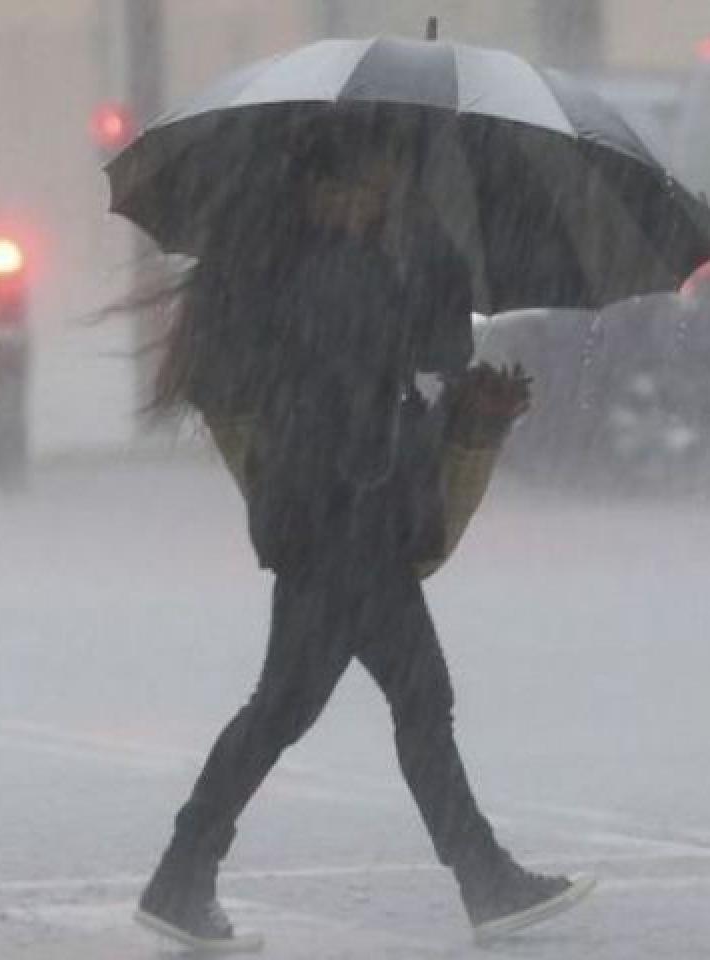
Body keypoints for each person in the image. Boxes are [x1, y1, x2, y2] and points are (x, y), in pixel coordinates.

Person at [134, 130, 596, 953]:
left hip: (333, 523)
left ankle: (185, 874)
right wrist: (424, 255)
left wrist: (417, 261)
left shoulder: (306, 265)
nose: (382, 194)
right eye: (376, 183)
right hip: (345, 524)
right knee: (379, 705)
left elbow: (404, 367)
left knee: (317, 708)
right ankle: (482, 880)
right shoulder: (337, 270)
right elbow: (419, 357)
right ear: (331, 188)